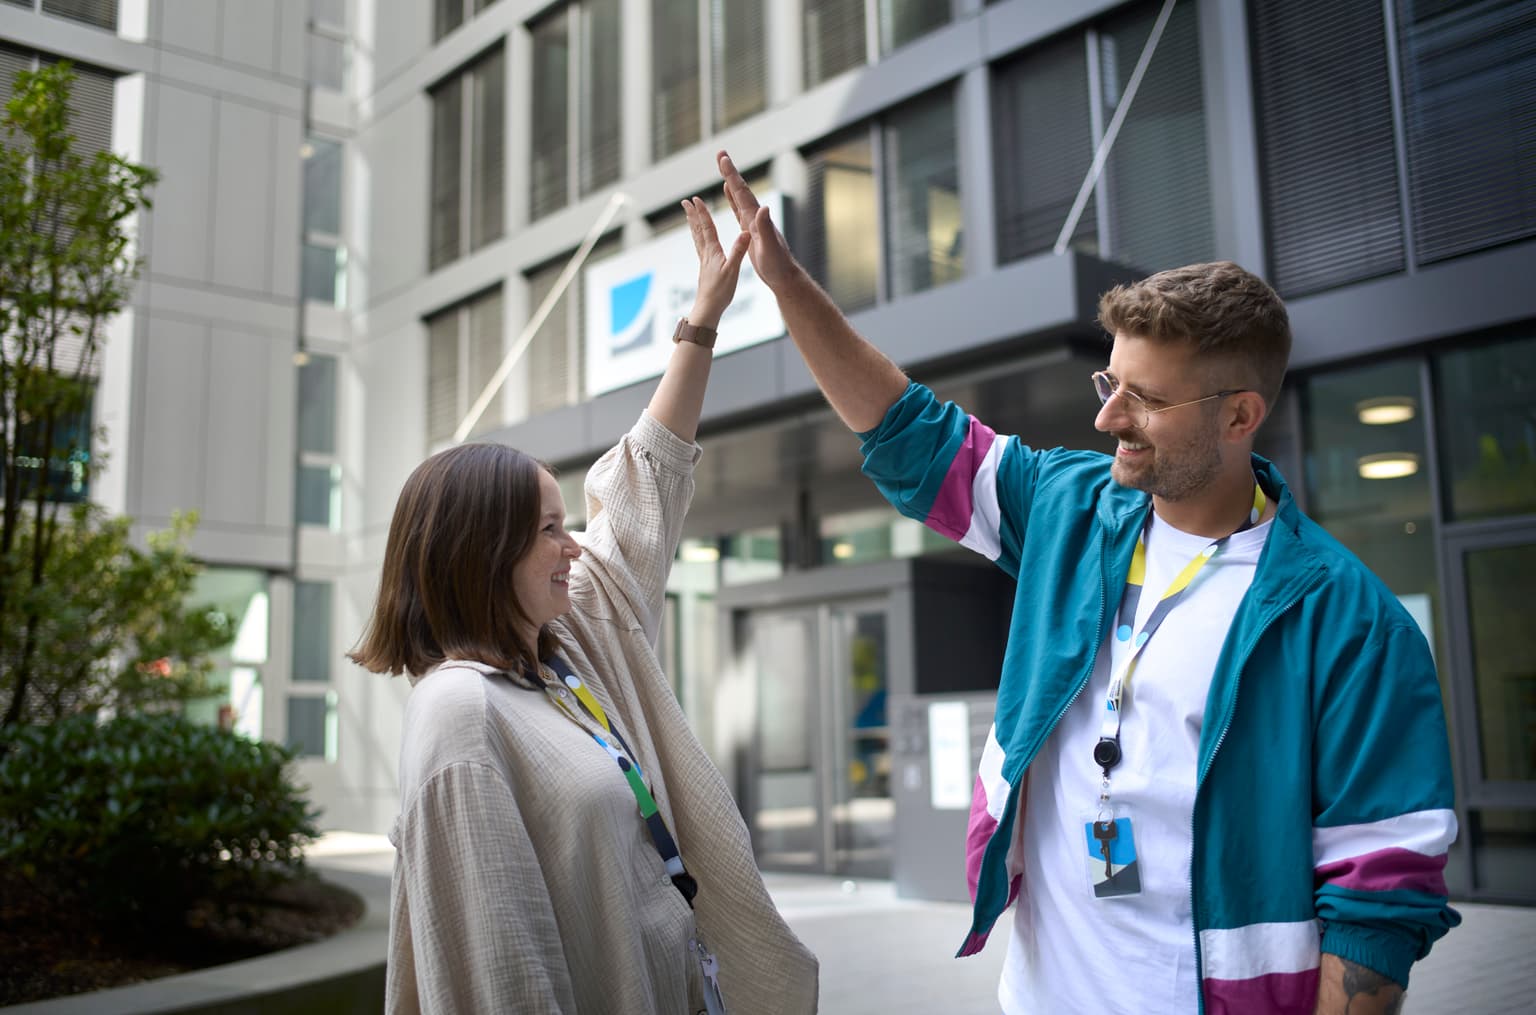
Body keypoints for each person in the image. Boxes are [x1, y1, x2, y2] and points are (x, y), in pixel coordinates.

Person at [711, 150, 1458, 1015]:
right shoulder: (1071, 508)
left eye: (1143, 398)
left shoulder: (1351, 622)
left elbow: (1378, 900)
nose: (1107, 417)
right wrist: (787, 283)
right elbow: (909, 434)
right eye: (1110, 381)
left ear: (1240, 416)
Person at [350, 196, 819, 1014]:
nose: (575, 547)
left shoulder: (559, 655)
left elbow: (645, 482)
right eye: (550, 529)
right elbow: (500, 966)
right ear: (481, 556)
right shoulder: (460, 714)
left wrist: (701, 324)